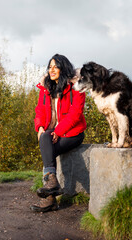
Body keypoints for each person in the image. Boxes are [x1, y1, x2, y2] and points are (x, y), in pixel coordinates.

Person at [30, 54, 87, 212]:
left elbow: (76, 114)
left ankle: (50, 198)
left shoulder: (76, 87)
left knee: (47, 150)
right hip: (52, 134)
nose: (52, 70)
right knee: (44, 137)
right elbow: (40, 110)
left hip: (73, 133)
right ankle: (52, 183)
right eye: (50, 67)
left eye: (55, 66)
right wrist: (40, 126)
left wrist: (58, 130)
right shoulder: (46, 88)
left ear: (64, 68)